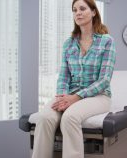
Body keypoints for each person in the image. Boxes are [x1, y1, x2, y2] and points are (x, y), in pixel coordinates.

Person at [32, 0, 116, 157]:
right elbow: (63, 76)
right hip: (70, 94)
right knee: (44, 117)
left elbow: (104, 80)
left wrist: (76, 98)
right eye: (75, 9)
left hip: (98, 96)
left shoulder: (107, 41)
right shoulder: (68, 44)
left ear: (93, 12)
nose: (78, 12)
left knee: (70, 118)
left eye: (82, 8)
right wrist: (62, 97)